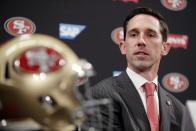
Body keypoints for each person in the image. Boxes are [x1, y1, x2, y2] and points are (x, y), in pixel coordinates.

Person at [88, 7, 195, 131]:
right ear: (123, 46)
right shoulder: (100, 96)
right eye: (133, 35)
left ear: (165, 48)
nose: (141, 41)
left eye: (150, 35)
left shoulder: (179, 110)